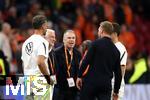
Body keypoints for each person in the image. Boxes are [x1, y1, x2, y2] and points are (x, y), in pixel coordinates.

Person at [76, 21, 122, 100]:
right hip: (105, 85)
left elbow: (86, 61)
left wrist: (79, 76)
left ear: (102, 31)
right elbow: (118, 74)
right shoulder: (116, 51)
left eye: (98, 30)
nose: (98, 32)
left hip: (91, 83)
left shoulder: (95, 44)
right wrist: (116, 91)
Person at [21, 15, 54, 97]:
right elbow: (40, 62)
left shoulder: (26, 42)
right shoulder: (42, 41)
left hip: (27, 79)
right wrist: (48, 78)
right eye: (46, 26)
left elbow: (23, 62)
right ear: (42, 26)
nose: (46, 28)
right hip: (39, 79)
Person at [53, 30, 81, 100]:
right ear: (63, 40)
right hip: (60, 89)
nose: (71, 40)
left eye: (73, 38)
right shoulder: (56, 53)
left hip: (74, 90)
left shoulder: (78, 53)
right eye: (69, 38)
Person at [111, 23, 128, 100]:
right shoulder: (110, 46)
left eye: (109, 32)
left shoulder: (120, 48)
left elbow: (122, 69)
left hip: (115, 86)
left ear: (114, 34)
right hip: (108, 84)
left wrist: (116, 90)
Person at [45, 29, 57, 99]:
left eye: (54, 37)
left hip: (53, 84)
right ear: (45, 38)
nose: (54, 39)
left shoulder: (53, 52)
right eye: (51, 37)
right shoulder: (40, 52)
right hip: (41, 84)